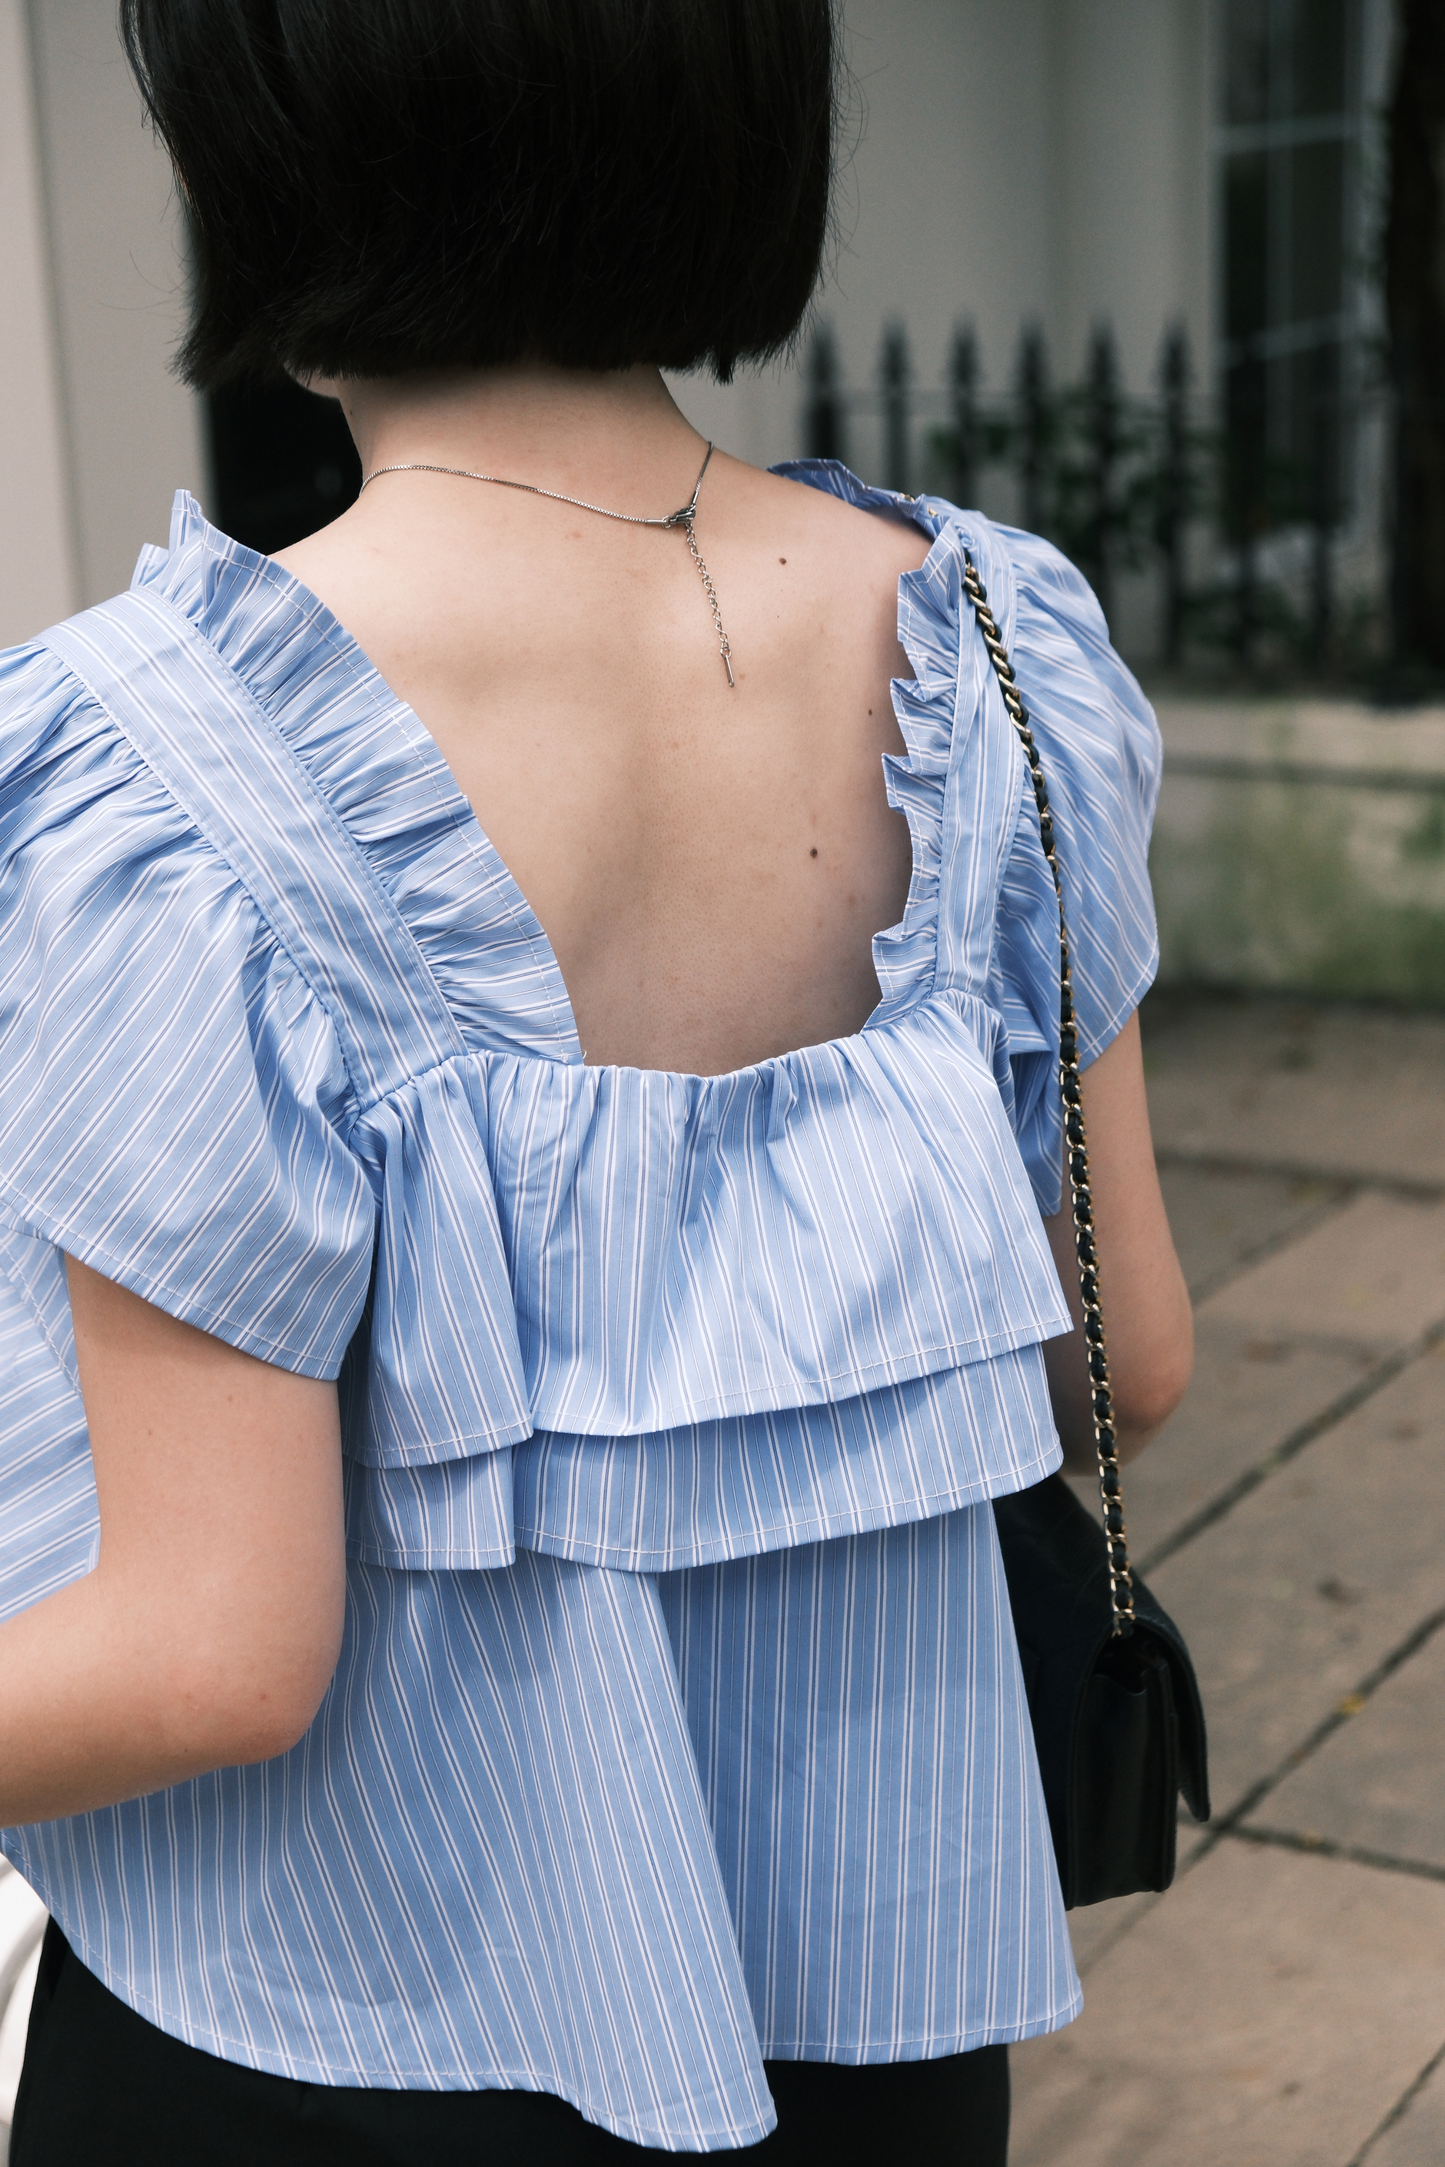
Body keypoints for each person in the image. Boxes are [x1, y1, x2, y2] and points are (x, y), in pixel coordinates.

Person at [0, 1, 1192, 2159]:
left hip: (335, 2031)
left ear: (268, 141)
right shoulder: (1003, 651)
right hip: (871, 2000)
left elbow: (210, 1649)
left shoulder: (146, 778)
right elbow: (1127, 1356)